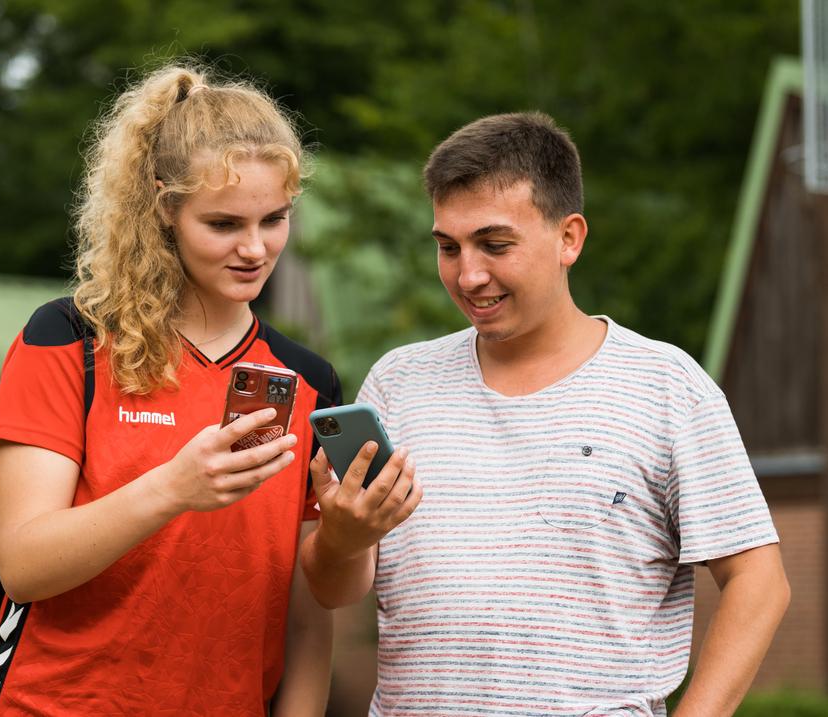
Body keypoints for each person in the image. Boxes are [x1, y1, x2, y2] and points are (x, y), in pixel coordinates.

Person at [300, 112, 790, 716]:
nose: (468, 274)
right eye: (448, 247)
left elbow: (759, 584)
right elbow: (333, 589)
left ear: (570, 238)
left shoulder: (667, 387)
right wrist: (343, 538)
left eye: (495, 244)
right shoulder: (398, 382)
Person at [0, 63, 340, 716]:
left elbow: (309, 623)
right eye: (224, 224)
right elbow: (22, 564)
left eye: (275, 219)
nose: (256, 248)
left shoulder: (310, 383)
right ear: (164, 206)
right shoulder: (67, 339)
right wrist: (174, 488)